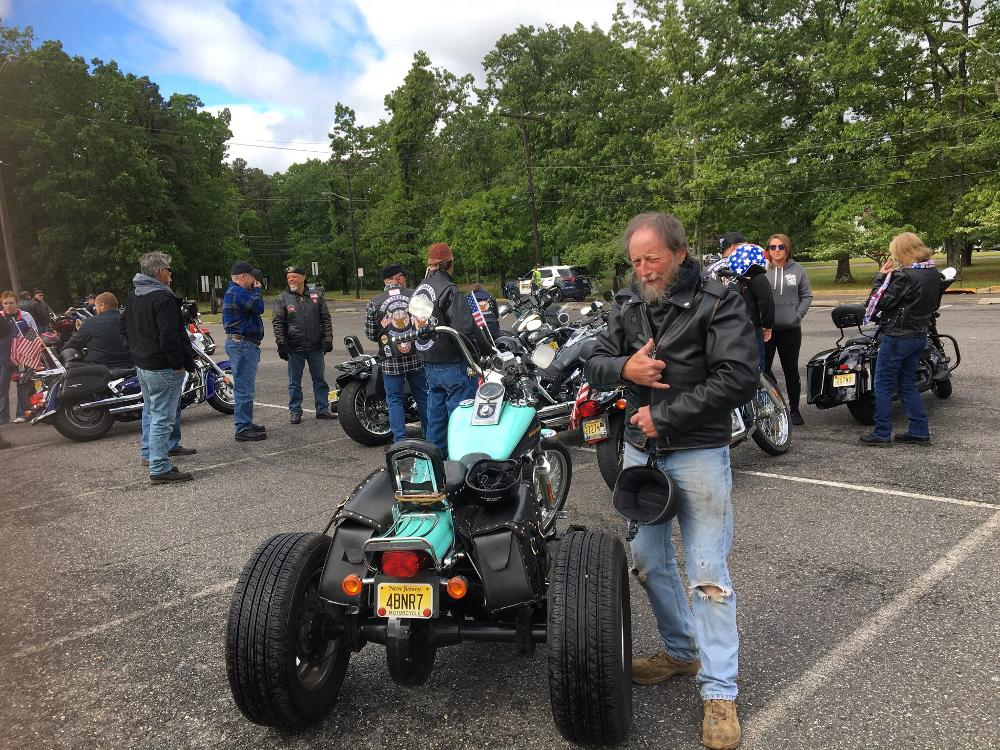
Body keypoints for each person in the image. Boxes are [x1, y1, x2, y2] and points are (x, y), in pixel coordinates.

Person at [585, 212, 758, 750]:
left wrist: (666, 415)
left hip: (699, 452)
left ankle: (720, 693)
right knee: (647, 562)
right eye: (636, 261)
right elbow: (592, 359)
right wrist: (625, 370)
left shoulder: (719, 301)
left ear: (680, 253)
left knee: (707, 574)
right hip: (641, 454)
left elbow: (740, 377)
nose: (644, 270)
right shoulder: (629, 304)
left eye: (652, 259)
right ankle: (682, 653)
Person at [860, 232, 941, 446]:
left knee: (883, 385)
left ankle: (882, 432)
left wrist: (880, 278)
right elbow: (934, 304)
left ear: (902, 251)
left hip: (897, 336)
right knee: (907, 384)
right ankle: (919, 431)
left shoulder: (905, 275)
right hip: (918, 334)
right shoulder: (933, 273)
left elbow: (881, 302)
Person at [122, 252, 196, 483]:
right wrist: (178, 364)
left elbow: (124, 329)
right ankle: (160, 467)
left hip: (144, 365)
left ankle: (150, 454)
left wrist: (137, 352)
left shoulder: (135, 296)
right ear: (159, 271)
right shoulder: (163, 298)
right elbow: (170, 336)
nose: (170, 275)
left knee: (152, 412)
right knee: (163, 418)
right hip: (162, 367)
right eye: (168, 270)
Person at [412, 242, 489, 456]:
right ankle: (462, 464)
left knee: (436, 420)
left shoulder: (420, 289)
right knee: (461, 419)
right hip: (453, 364)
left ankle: (434, 464)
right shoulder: (450, 290)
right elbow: (464, 330)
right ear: (449, 263)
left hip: (430, 364)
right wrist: (479, 356)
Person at [365, 263, 428, 443]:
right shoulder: (415, 295)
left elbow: (371, 333)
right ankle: (429, 434)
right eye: (404, 276)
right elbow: (426, 324)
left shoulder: (374, 302)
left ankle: (399, 440)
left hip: (390, 357)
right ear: (398, 278)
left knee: (394, 399)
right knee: (422, 395)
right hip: (416, 355)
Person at [272, 265, 336, 424]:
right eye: (288, 277)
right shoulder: (282, 298)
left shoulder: (316, 296)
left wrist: (328, 339)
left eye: (294, 276)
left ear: (303, 277)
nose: (290, 279)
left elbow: (326, 319)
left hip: (315, 346)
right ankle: (295, 411)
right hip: (294, 347)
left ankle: (322, 409)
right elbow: (278, 322)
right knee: (294, 383)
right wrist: (281, 343)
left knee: (320, 380)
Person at [763, 234, 812, 425]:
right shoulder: (762, 269)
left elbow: (806, 296)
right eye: (773, 247)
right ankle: (773, 407)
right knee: (764, 370)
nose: (777, 250)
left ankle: (794, 410)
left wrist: (797, 314)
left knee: (791, 370)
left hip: (790, 329)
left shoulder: (798, 270)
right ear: (768, 250)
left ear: (787, 248)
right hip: (766, 329)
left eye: (781, 247)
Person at [223, 260, 266, 442]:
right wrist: (256, 290)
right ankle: (242, 428)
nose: (254, 281)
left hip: (242, 344)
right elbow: (258, 307)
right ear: (243, 276)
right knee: (244, 388)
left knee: (245, 386)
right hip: (242, 345)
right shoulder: (237, 291)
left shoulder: (236, 291)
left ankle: (246, 421)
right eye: (251, 277)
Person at [718, 233, 774, 371]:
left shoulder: (710, 271)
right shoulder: (749, 266)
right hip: (748, 330)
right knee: (755, 372)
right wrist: (767, 325)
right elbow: (766, 299)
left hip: (719, 332)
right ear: (734, 247)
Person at [66, 292, 134, 367]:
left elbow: (72, 344)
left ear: (102, 306)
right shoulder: (130, 321)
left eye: (96, 306)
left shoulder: (91, 322)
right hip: (131, 367)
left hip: (100, 370)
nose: (95, 309)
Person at [2, 290, 39, 423]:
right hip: (4, 357)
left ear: (17, 303)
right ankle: (2, 417)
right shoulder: (0, 317)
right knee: (2, 386)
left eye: (11, 303)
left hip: (22, 356)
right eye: (5, 303)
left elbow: (34, 334)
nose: (8, 305)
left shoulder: (26, 316)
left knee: (23, 385)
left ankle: (22, 413)